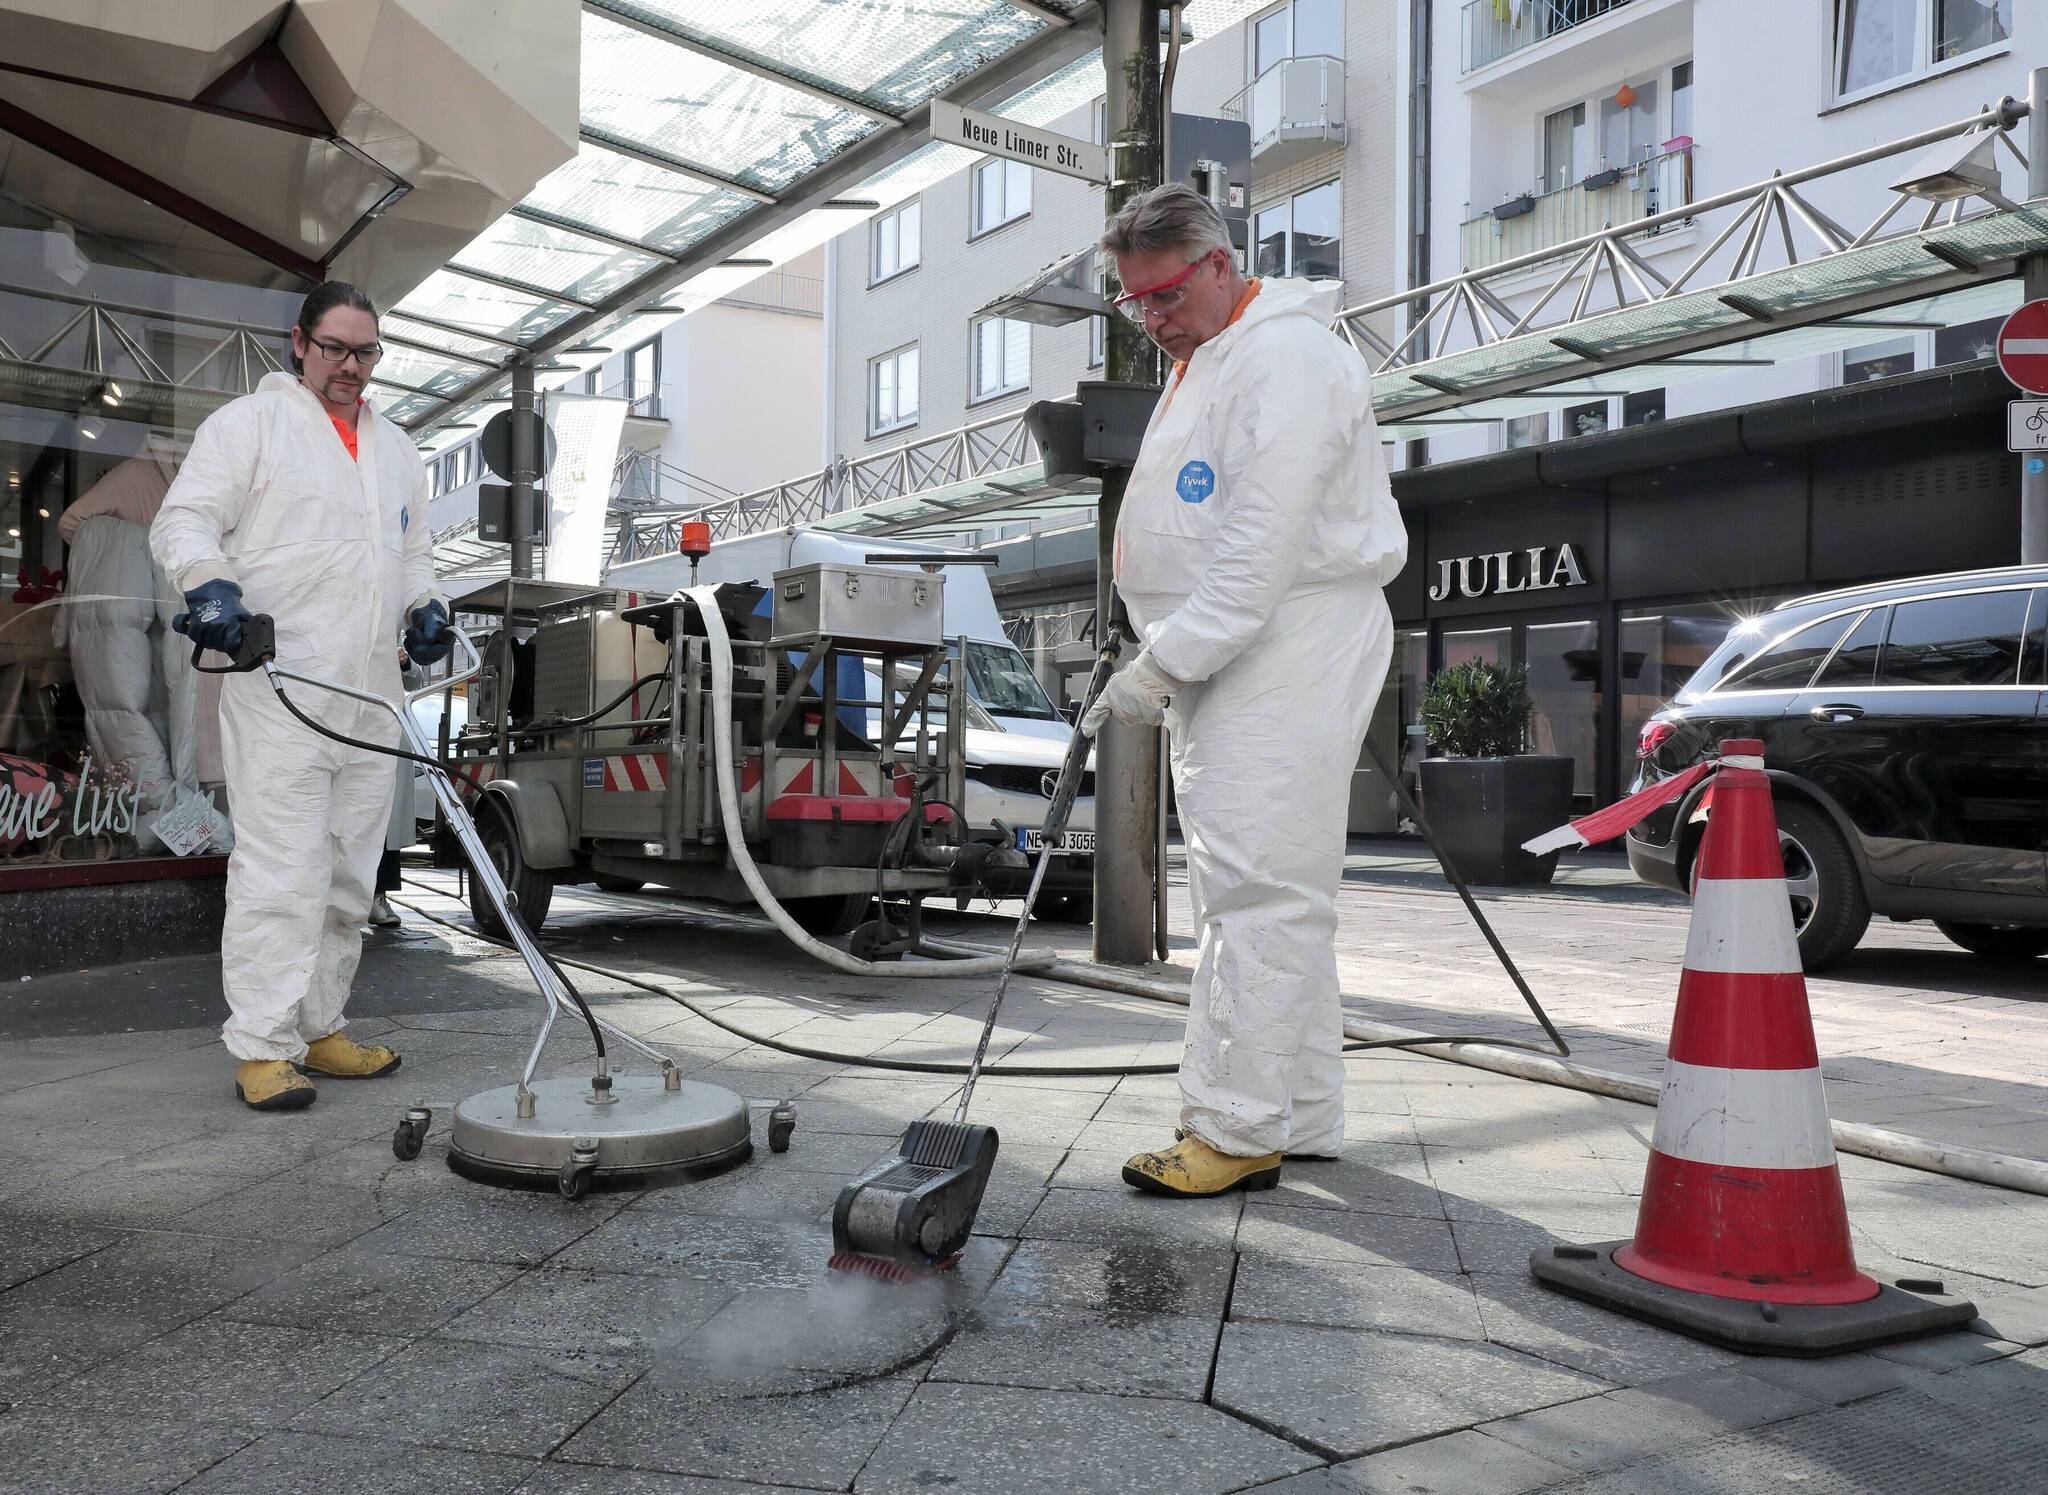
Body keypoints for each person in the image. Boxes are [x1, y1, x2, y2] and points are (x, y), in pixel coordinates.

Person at [1084, 184, 1407, 1197]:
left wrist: (1161, 663)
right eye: (1133, 304)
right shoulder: (1216, 352)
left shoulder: (1285, 359)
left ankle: (1230, 1127)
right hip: (1247, 646)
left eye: (1165, 295)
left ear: (1220, 265)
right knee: (1280, 895)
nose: (1151, 320)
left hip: (1282, 636)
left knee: (1253, 893)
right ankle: (1294, 1115)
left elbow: (1255, 552)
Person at [152, 282, 451, 1111]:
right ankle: (260, 1045)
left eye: (366, 352)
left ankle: (320, 1027)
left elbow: (413, 548)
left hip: (368, 693)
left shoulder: (396, 446)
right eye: (335, 349)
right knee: (283, 870)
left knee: (351, 876)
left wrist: (427, 604)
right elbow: (183, 521)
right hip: (281, 687)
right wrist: (212, 590)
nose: (350, 367)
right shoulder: (250, 425)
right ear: (299, 342)